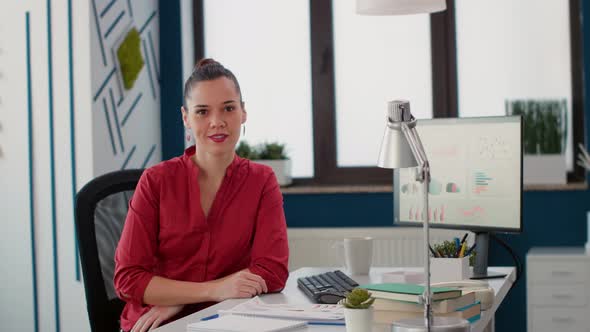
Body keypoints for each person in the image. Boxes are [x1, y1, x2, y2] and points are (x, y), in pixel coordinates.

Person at [114, 58, 289, 332]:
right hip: (158, 324)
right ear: (186, 117)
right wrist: (211, 290)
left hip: (227, 319)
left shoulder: (261, 180)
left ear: (243, 112)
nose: (217, 122)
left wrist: (181, 299)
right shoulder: (156, 181)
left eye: (228, 108)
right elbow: (128, 279)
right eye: (202, 112)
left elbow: (273, 272)